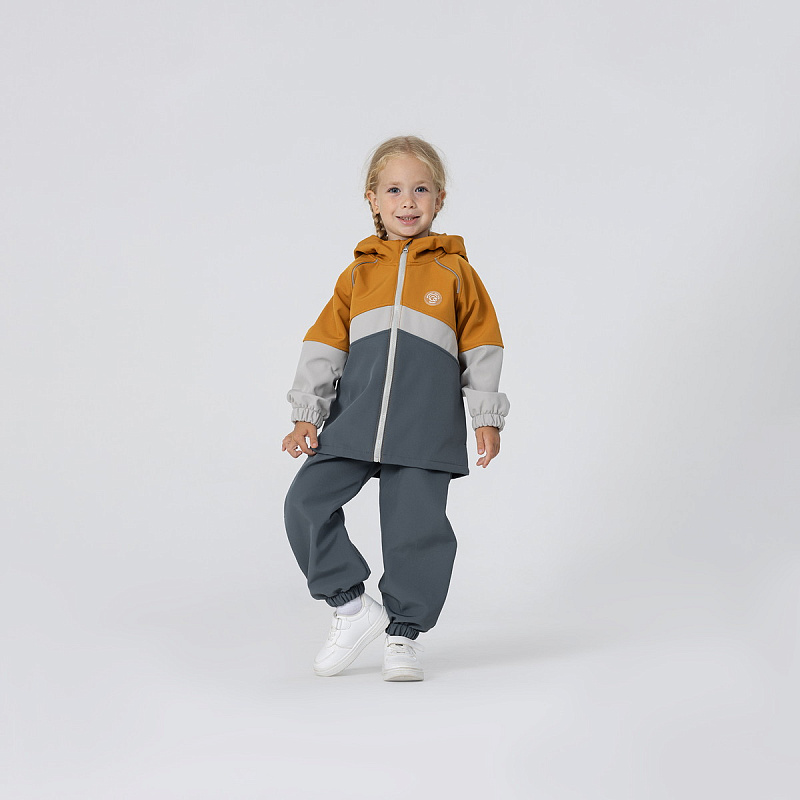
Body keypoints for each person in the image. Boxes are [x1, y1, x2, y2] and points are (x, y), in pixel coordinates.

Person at [282, 135, 509, 681]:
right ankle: (351, 608)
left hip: (425, 428)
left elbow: (482, 346)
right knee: (305, 503)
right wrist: (307, 412)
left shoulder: (456, 273)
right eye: (394, 190)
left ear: (440, 198)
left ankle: (403, 634)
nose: (408, 201)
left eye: (421, 190)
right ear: (373, 199)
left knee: (416, 532)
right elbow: (324, 346)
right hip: (354, 420)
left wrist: (485, 418)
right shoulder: (357, 275)